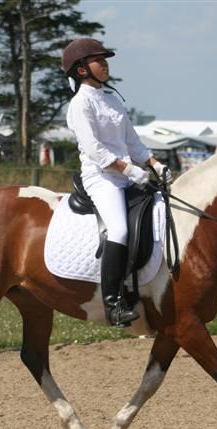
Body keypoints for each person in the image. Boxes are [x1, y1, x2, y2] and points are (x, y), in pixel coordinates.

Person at [61, 38, 171, 327]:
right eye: (98, 59)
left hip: (127, 174)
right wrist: (128, 170)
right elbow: (95, 150)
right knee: (120, 230)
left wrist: (155, 164)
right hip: (102, 178)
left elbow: (132, 141)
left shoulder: (111, 99)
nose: (105, 63)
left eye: (104, 58)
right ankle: (113, 303)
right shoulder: (80, 104)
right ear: (82, 69)